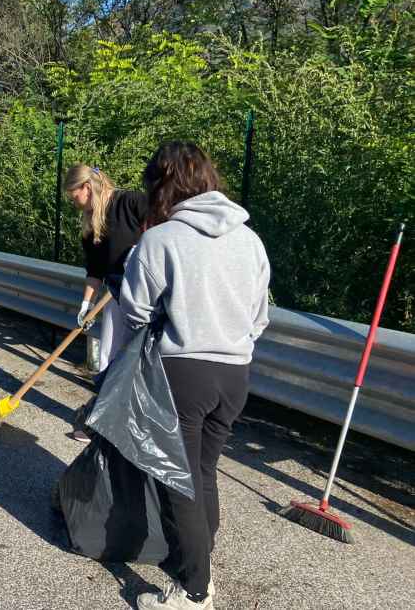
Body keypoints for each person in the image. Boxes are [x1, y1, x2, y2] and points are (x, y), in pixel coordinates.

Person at [119, 142, 270, 610]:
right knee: (204, 472)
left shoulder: (161, 239)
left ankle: (195, 591)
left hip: (184, 371)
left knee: (177, 479)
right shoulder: (250, 240)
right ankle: (197, 556)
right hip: (235, 373)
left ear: (163, 185)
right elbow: (260, 316)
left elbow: (134, 309)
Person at [64, 164, 147, 441]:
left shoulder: (130, 202)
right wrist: (86, 305)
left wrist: (142, 250)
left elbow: (164, 227)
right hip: (114, 294)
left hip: (146, 297)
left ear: (86, 188)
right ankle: (101, 423)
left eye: (73, 195)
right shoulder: (90, 226)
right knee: (108, 359)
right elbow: (94, 271)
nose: (73, 202)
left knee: (139, 362)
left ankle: (133, 426)